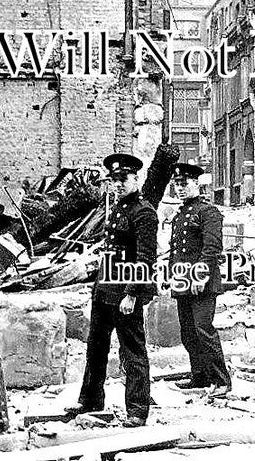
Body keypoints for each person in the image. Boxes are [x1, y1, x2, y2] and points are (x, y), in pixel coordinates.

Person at [71, 153, 158, 427]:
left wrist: (132, 294)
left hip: (124, 294)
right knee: (95, 347)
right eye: (114, 180)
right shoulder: (118, 208)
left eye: (124, 179)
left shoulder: (144, 213)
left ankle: (137, 410)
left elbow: (145, 257)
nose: (118, 184)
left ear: (136, 179)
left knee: (132, 351)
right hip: (104, 291)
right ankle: (90, 400)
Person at [167, 161, 232, 398]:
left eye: (184, 184)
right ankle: (200, 376)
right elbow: (177, 249)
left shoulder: (209, 212)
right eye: (176, 185)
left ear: (196, 184)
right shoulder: (181, 213)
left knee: (204, 329)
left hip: (201, 282)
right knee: (188, 332)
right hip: (183, 281)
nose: (180, 189)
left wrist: (200, 275)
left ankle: (222, 380)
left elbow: (212, 247)